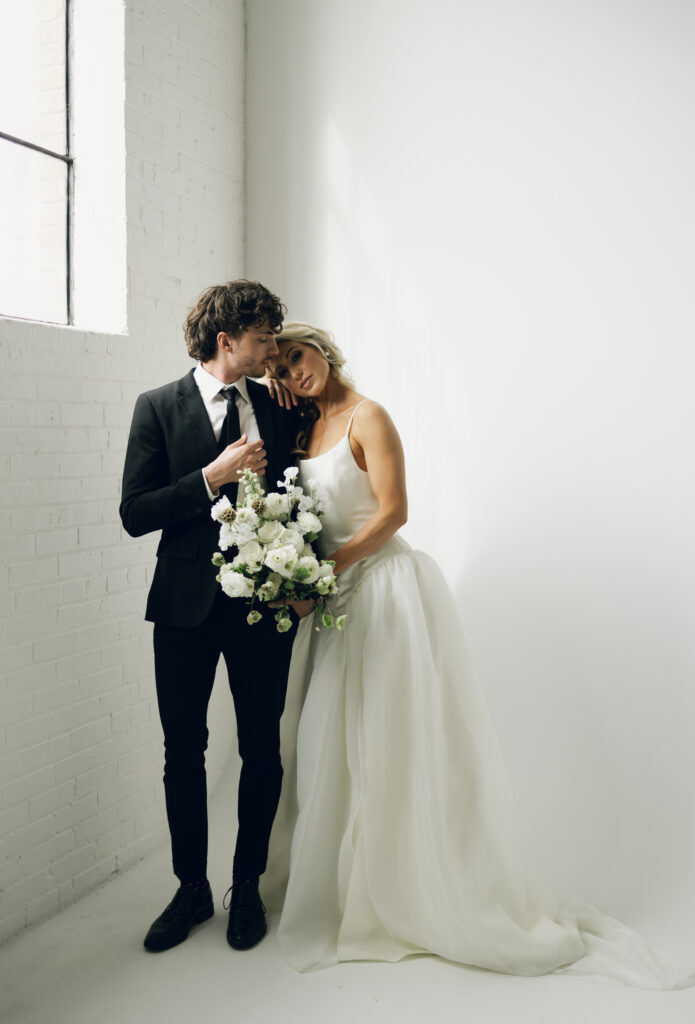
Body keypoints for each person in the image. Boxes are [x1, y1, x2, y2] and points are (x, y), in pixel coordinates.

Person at [263, 322, 693, 989]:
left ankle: (415, 885)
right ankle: (347, 884)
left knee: (391, 737)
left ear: (321, 347)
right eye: (281, 371)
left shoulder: (367, 416)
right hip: (336, 601)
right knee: (329, 739)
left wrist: (328, 568)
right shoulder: (303, 432)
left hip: (382, 591)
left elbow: (393, 512)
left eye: (297, 356)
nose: (294, 372)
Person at [119, 280, 299, 953]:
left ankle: (245, 886)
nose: (272, 350)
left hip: (263, 610)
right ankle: (190, 889)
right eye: (263, 339)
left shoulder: (278, 406)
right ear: (227, 341)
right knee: (183, 753)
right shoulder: (157, 408)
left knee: (261, 751)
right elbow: (134, 512)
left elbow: (299, 494)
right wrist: (209, 478)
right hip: (184, 609)